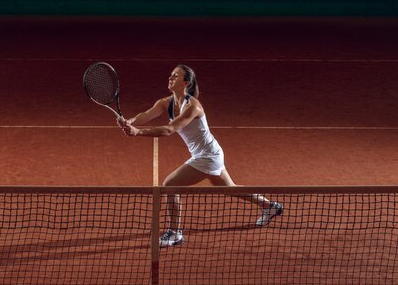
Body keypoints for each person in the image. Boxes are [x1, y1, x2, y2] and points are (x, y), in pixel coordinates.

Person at [117, 64, 283, 247]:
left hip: (208, 156)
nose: (170, 78)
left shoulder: (193, 107)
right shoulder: (165, 102)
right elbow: (146, 115)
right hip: (211, 152)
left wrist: (138, 132)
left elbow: (168, 130)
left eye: (175, 76)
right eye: (171, 75)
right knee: (230, 188)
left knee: (169, 186)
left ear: (185, 82)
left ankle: (175, 233)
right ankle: (270, 206)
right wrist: (130, 121)